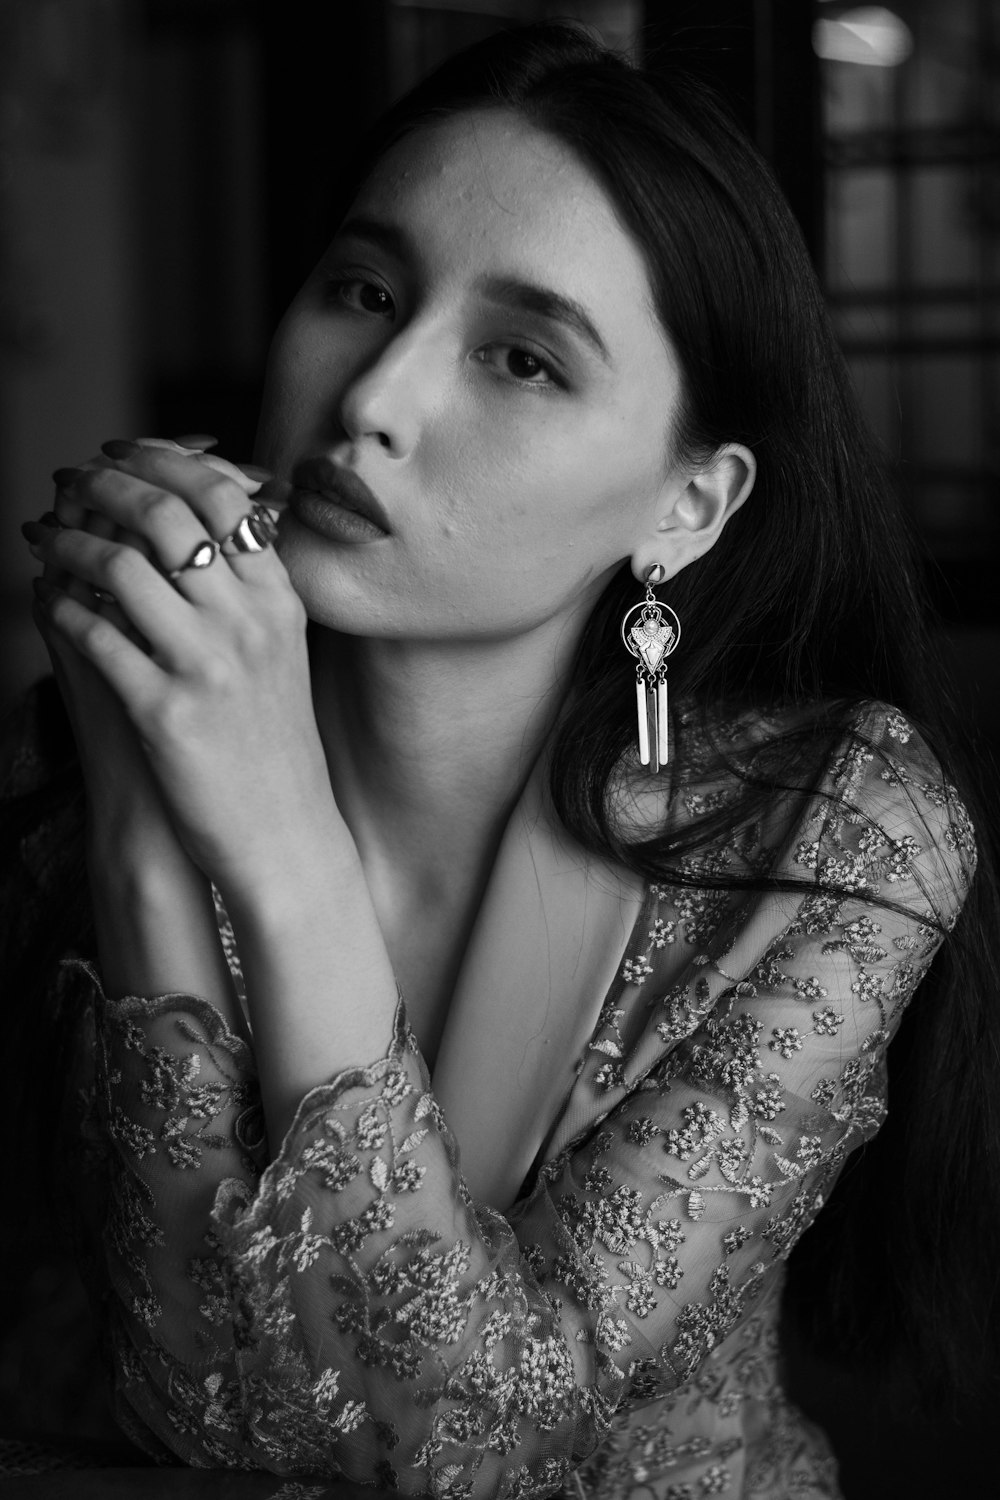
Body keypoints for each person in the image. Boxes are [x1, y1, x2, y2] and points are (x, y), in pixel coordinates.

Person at [4, 20, 997, 1499]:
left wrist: (280, 849)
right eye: (362, 289)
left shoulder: (837, 829)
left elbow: (481, 1439)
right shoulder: (154, 729)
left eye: (522, 359)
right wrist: (148, 831)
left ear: (687, 505)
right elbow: (191, 1407)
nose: (372, 399)